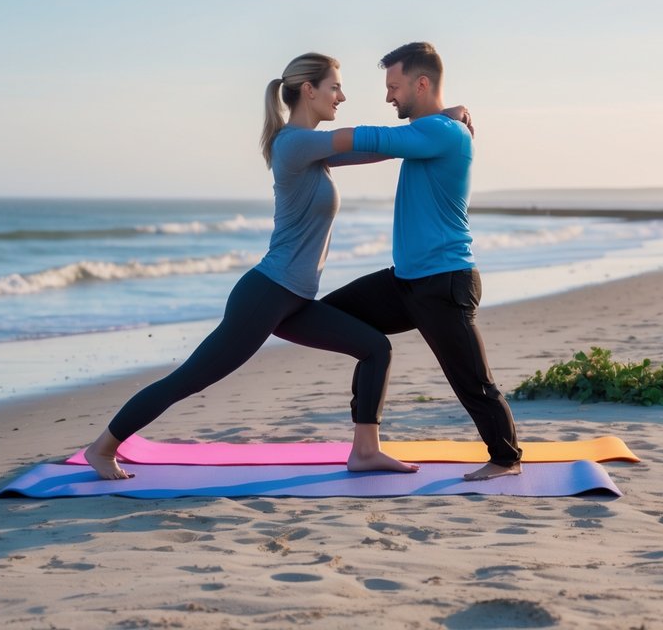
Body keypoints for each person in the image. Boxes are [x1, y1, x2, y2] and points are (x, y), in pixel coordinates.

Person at [85, 52, 467, 481]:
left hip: (295, 301)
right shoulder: (296, 143)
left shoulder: (310, 147)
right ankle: (102, 448)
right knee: (191, 378)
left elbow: (379, 151)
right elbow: (365, 138)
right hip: (267, 294)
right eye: (334, 87)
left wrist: (438, 124)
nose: (342, 95)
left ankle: (364, 451)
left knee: (374, 346)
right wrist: (435, 121)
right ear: (309, 90)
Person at [317, 42, 522, 481]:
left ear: (421, 83)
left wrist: (303, 139)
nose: (389, 95)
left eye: (394, 86)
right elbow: (368, 150)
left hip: (445, 280)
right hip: (406, 282)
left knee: (471, 380)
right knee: (330, 318)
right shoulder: (436, 129)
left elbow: (376, 138)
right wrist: (307, 154)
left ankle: (506, 457)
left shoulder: (443, 134)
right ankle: (366, 447)